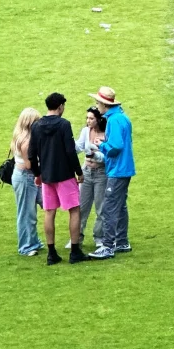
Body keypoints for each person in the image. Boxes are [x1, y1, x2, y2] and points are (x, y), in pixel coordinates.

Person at [28, 93, 89, 265]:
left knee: (49, 212)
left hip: (47, 176)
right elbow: (70, 151)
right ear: (60, 106)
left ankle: (51, 253)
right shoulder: (64, 124)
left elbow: (32, 154)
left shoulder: (37, 126)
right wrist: (79, 172)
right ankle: (75, 251)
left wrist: (37, 174)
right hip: (65, 175)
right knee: (74, 210)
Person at [88, 87, 135, 259]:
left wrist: (101, 145)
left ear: (104, 104)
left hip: (117, 170)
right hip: (125, 168)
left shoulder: (114, 120)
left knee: (109, 207)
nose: (96, 106)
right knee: (120, 206)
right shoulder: (123, 118)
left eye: (97, 103)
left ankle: (108, 246)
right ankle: (122, 241)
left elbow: (115, 147)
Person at [10, 108, 43, 256]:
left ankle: (33, 241)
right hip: (26, 177)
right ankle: (26, 246)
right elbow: (30, 165)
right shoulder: (27, 141)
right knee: (26, 213)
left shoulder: (19, 135)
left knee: (31, 211)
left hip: (23, 176)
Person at [75, 106, 107, 251]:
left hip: (102, 174)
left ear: (99, 119)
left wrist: (94, 155)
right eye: (87, 118)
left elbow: (108, 157)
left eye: (91, 118)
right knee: (82, 207)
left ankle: (99, 238)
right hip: (86, 172)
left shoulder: (107, 133)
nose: (88, 121)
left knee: (101, 208)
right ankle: (77, 238)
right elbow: (78, 147)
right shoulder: (85, 131)